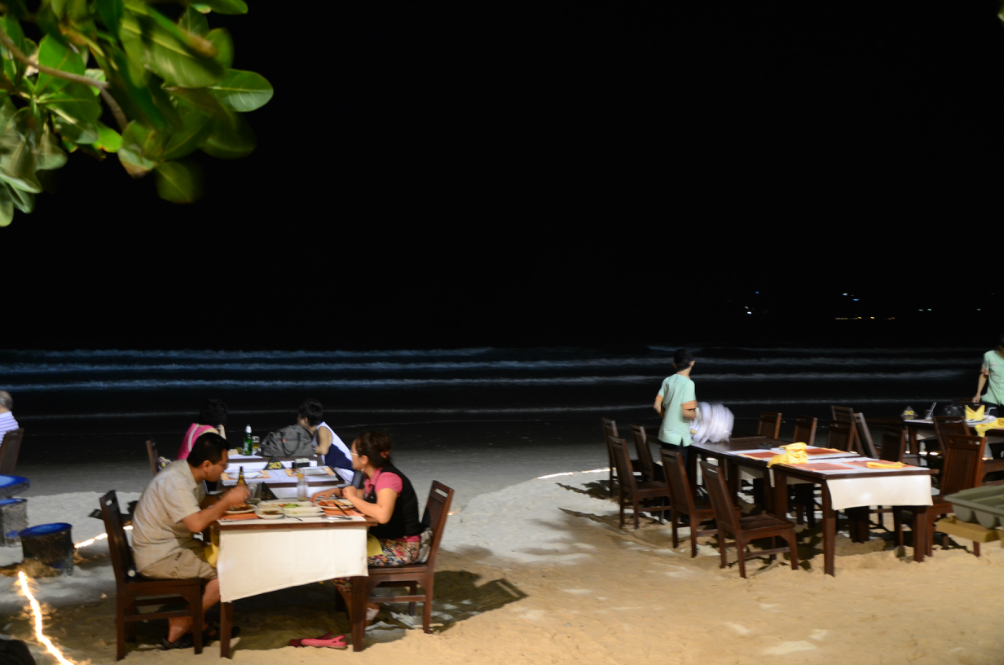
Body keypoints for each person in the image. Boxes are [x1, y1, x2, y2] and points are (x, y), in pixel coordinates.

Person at [131, 432, 250, 650]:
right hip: (160, 556)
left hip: (172, 547)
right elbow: (196, 524)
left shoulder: (186, 472)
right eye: (223, 465)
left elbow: (201, 504)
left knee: (226, 559)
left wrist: (225, 497)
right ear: (207, 465)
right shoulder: (175, 482)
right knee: (229, 573)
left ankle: (198, 623)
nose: (225, 470)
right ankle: (183, 620)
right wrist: (226, 502)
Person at [312, 431, 427, 628]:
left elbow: (382, 515)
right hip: (387, 540)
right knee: (333, 551)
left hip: (404, 548)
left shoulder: (388, 479)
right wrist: (337, 491)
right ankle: (359, 605)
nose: (350, 456)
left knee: (337, 559)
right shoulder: (374, 475)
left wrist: (352, 498)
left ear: (364, 459)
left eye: (352, 452)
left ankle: (362, 607)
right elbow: (363, 496)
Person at [654, 348, 699, 473]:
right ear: (692, 363)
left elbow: (657, 405)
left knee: (670, 473)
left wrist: (668, 416)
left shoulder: (667, 381)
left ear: (674, 364)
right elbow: (686, 412)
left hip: (665, 435)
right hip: (679, 438)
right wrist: (699, 415)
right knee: (682, 475)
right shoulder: (688, 384)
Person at [296, 399, 353, 483]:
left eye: (298, 416)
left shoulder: (322, 429)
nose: (297, 419)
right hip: (336, 472)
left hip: (346, 474)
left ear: (305, 420)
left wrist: (301, 449)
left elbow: (323, 450)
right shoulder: (315, 433)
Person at [973, 336, 1004, 418]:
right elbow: (984, 374)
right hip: (993, 396)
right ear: (1000, 347)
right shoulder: (989, 356)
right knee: (990, 422)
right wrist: (978, 394)